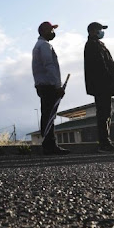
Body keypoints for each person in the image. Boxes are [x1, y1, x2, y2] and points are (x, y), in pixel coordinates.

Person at [84, 22, 114, 153]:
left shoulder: (97, 44)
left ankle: (105, 142)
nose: (102, 32)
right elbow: (100, 67)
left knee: (106, 113)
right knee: (103, 113)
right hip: (102, 86)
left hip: (104, 85)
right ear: (94, 31)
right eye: (100, 29)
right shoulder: (93, 45)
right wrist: (110, 82)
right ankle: (104, 143)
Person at [32, 22, 69, 155]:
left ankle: (49, 144)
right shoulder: (45, 46)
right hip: (48, 85)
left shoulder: (40, 45)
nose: (53, 32)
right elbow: (49, 66)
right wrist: (57, 86)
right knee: (49, 115)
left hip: (43, 85)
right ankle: (49, 145)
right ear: (43, 31)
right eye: (51, 29)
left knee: (47, 114)